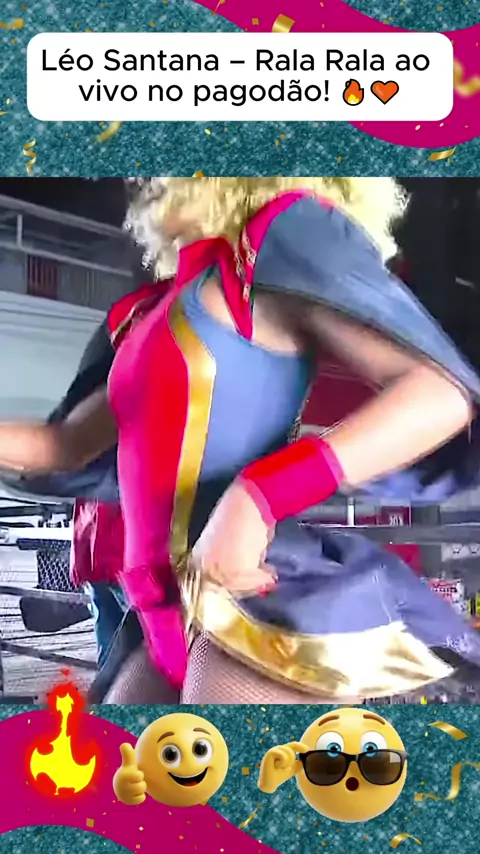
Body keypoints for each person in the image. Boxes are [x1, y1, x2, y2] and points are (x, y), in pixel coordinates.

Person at [2, 177, 480, 706]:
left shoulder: (283, 233)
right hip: (157, 610)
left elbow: (441, 395)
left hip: (246, 598)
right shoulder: (154, 307)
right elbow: (64, 446)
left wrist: (259, 496)